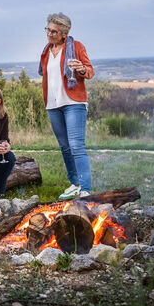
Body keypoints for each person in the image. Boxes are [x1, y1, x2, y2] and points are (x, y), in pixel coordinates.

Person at [38, 13, 95, 200]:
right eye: (48, 29)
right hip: (53, 105)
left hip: (74, 102)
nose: (49, 34)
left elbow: (90, 71)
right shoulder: (46, 51)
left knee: (76, 145)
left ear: (64, 33)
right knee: (64, 146)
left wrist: (82, 69)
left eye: (54, 31)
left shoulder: (76, 47)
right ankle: (74, 184)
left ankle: (85, 188)